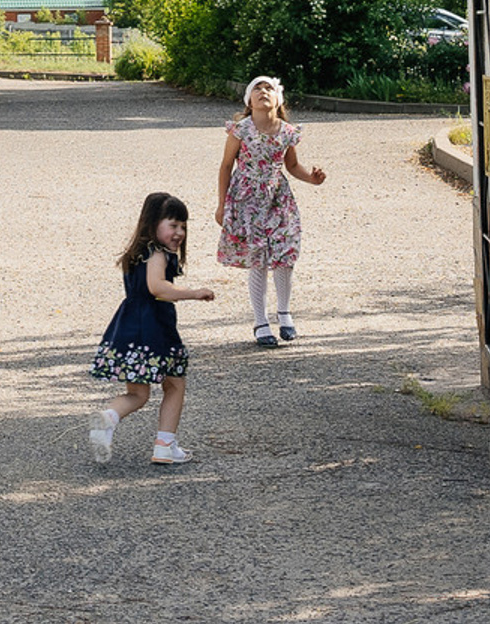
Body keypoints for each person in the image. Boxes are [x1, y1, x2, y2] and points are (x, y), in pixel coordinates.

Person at [89, 191, 215, 467]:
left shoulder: (136, 254)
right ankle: (165, 445)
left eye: (183, 226)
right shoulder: (157, 254)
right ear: (153, 224)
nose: (179, 232)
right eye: (173, 225)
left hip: (129, 328)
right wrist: (193, 293)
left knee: (138, 394)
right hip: (155, 331)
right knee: (175, 385)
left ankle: (109, 417)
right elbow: (157, 287)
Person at [217, 73, 325, 345]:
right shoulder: (241, 130)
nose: (263, 91)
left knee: (285, 254)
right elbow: (226, 166)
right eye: (257, 88)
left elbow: (292, 166)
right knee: (258, 258)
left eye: (269, 88)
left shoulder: (287, 132)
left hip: (278, 198)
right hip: (247, 200)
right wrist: (222, 205)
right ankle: (261, 322)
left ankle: (285, 314)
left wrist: (312, 179)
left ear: (278, 100)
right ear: (249, 101)